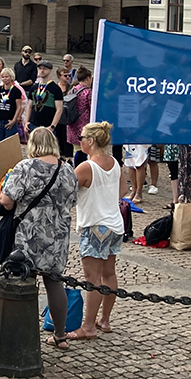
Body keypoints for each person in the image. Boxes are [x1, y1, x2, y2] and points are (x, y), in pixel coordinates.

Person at [0, 126, 76, 350]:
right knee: (54, 283)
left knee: (25, 280)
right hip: (58, 235)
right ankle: (60, 336)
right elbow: (72, 201)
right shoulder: (68, 169)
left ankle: (23, 335)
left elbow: (7, 201)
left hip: (29, 234)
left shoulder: (26, 167)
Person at [68, 122, 122, 340]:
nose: (79, 140)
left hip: (94, 225)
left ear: (90, 141)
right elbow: (123, 191)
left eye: (81, 137)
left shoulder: (86, 167)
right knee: (109, 273)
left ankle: (88, 326)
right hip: (115, 224)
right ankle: (105, 319)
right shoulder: (114, 163)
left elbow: (67, 189)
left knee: (92, 278)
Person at [25, 60, 63, 133]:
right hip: (33, 124)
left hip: (47, 125)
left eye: (45, 69)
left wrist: (52, 126)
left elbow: (59, 109)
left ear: (50, 70)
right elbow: (29, 106)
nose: (42, 71)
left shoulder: (55, 88)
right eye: (40, 68)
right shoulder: (34, 87)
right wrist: (26, 121)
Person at [0, 66, 24, 144]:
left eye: (7, 77)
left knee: (9, 143)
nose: (4, 79)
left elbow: (19, 106)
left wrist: (14, 120)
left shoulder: (16, 91)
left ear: (11, 77)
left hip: (9, 119)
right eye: (3, 77)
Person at [65, 67, 94, 157]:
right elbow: (91, 108)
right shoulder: (88, 92)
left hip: (72, 123)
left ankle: (77, 169)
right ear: (88, 78)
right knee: (85, 151)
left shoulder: (72, 90)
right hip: (84, 125)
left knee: (77, 149)